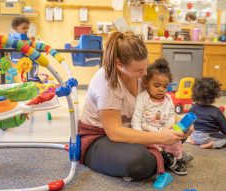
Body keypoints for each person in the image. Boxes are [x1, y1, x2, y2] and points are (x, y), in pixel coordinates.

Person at [78, 31, 194, 181]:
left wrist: (180, 122)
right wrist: (159, 137)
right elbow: (114, 133)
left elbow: (157, 105)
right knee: (140, 162)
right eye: (139, 70)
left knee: (175, 133)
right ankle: (166, 156)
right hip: (99, 138)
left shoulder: (141, 75)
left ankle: (165, 154)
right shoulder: (106, 82)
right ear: (119, 65)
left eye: (146, 66)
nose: (145, 73)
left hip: (135, 129)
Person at [131, 58, 191, 176]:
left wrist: (169, 130)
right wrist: (140, 136)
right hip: (148, 134)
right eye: (157, 85)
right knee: (150, 150)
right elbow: (136, 120)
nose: (161, 89)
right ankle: (166, 158)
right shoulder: (142, 98)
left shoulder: (168, 99)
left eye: (165, 86)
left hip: (165, 133)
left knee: (176, 142)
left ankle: (177, 159)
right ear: (146, 83)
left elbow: (171, 117)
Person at [189, 77, 226, 149]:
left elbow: (188, 123)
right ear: (214, 95)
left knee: (194, 134)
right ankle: (211, 144)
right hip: (207, 137)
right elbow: (225, 128)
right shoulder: (216, 111)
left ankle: (193, 140)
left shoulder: (193, 108)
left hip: (195, 135)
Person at [10, 16, 38, 80]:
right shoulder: (14, 36)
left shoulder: (24, 36)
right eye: (24, 28)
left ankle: (32, 78)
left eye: (27, 28)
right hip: (19, 57)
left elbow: (28, 45)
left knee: (35, 61)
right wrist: (29, 42)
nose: (26, 30)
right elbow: (21, 44)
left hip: (25, 57)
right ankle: (32, 78)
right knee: (33, 62)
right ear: (15, 28)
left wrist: (32, 41)